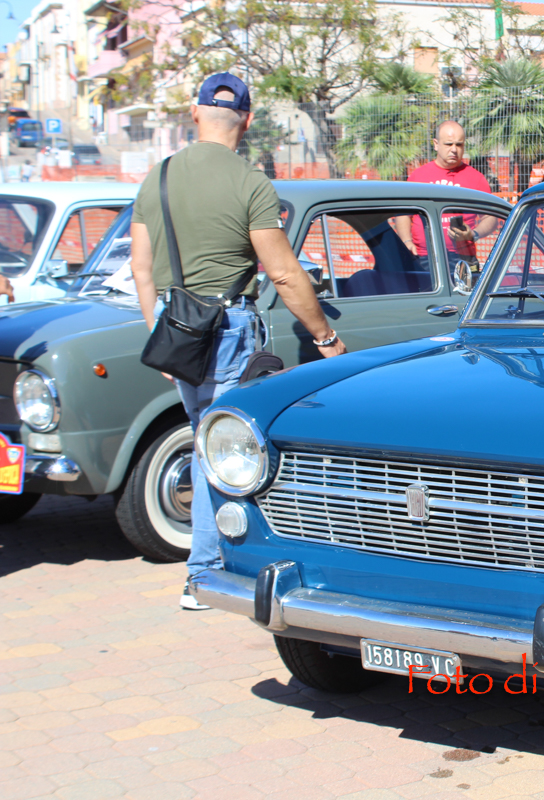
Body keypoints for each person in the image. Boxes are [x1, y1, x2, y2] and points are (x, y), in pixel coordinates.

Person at [128, 73, 347, 611]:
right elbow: (285, 273)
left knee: (206, 439)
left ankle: (206, 566)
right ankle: (205, 572)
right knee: (227, 447)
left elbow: (140, 268)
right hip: (226, 327)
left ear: (194, 112)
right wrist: (325, 336)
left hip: (176, 326)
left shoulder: (157, 176)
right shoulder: (250, 183)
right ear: (246, 120)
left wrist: (157, 332)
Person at [397, 120, 499, 270]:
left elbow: (490, 217)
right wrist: (407, 242)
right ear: (436, 144)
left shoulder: (475, 178)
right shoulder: (418, 177)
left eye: (459, 145)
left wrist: (473, 234)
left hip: (463, 258)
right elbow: (403, 214)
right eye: (448, 144)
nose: (454, 150)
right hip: (423, 257)